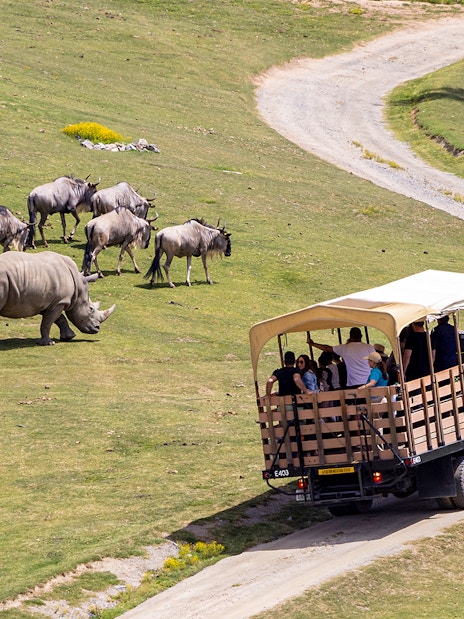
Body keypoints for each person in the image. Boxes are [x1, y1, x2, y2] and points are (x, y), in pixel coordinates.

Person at [308, 327, 375, 388]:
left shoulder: (345, 348)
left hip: (354, 383)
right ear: (361, 336)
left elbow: (327, 348)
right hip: (369, 381)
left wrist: (313, 344)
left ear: (350, 336)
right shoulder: (369, 347)